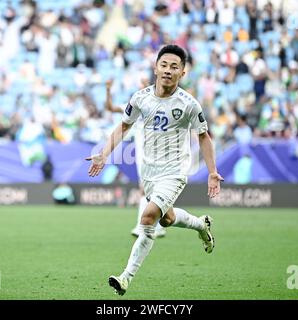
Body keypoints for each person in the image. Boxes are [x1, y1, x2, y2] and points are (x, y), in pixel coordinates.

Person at [86, 44, 223, 296]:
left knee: (148, 217)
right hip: (149, 173)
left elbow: (204, 137)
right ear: (155, 67)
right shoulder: (140, 98)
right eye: (164, 65)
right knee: (167, 219)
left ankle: (125, 277)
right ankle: (201, 226)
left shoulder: (189, 105)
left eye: (174, 67)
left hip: (175, 171)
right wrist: (104, 154)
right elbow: (123, 127)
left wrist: (212, 171)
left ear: (182, 73)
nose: (168, 70)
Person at [104, 78, 167, 238]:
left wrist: (146, 85)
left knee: (147, 189)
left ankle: (145, 225)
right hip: (142, 154)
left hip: (156, 153)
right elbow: (110, 108)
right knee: (147, 190)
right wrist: (108, 91)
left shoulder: (156, 106)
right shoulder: (133, 107)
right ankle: (155, 226)